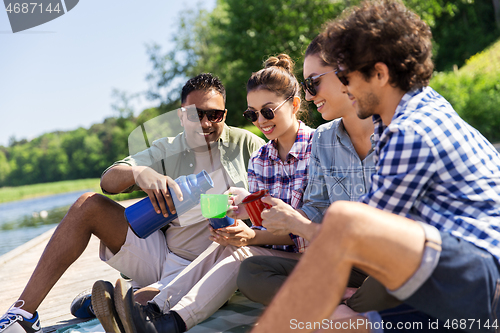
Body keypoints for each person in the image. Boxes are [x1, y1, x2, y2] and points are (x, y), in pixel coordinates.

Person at [251, 1, 500, 332]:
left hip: (482, 282)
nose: (344, 86)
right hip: (446, 277)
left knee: (346, 221)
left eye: (346, 75)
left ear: (380, 74)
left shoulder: (411, 131)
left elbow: (357, 234)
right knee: (331, 321)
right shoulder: (412, 112)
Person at [0, 73, 265, 333]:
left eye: (214, 115)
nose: (205, 123)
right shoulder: (166, 148)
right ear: (181, 116)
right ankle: (22, 314)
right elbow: (108, 181)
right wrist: (141, 173)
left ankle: (112, 300)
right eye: (195, 114)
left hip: (215, 263)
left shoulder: (249, 146)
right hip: (163, 253)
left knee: (139, 308)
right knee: (88, 205)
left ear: (225, 115)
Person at [93, 54, 316, 333]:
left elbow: (307, 225)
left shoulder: (319, 148)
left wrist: (251, 233)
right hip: (257, 252)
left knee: (238, 252)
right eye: (252, 114)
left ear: (295, 105)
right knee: (229, 246)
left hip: (311, 252)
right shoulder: (261, 158)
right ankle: (152, 312)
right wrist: (243, 222)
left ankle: (166, 322)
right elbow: (265, 220)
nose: (260, 120)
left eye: (267, 112)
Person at [237, 35, 401, 316]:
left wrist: (295, 225)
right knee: (251, 272)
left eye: (313, 83)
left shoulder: (398, 131)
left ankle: (341, 308)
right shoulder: (324, 138)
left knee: (394, 278)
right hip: (344, 264)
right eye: (253, 114)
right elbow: (317, 206)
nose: (311, 96)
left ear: (345, 74)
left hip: (389, 262)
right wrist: (287, 216)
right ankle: (348, 305)